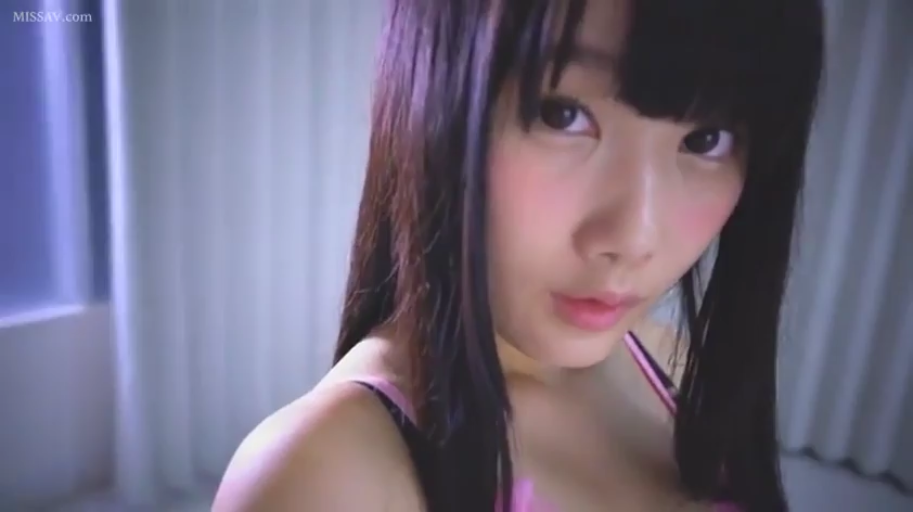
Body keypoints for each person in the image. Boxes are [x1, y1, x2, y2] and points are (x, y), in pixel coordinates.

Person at [213, 0, 824, 510]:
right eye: (563, 115)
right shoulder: (325, 479)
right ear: (436, 102)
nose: (634, 237)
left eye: (706, 139)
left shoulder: (669, 365)